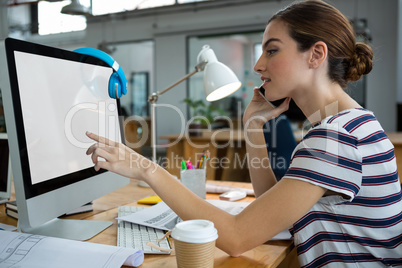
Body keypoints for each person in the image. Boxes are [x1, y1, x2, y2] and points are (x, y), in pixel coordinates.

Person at [86, 0, 402, 266]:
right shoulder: (353, 123)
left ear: (315, 55)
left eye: (272, 51)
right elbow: (273, 209)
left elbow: (237, 237)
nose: (258, 65)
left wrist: (146, 168)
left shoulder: (335, 138)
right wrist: (253, 127)